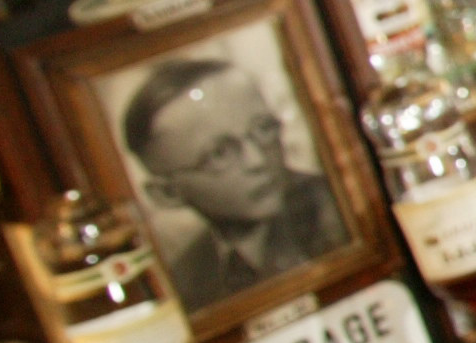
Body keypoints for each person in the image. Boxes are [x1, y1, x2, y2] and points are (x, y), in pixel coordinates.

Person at [121, 53, 345, 311]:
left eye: (263, 129)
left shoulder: (342, 210)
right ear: (167, 194)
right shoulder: (182, 280)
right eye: (219, 154)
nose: (257, 159)